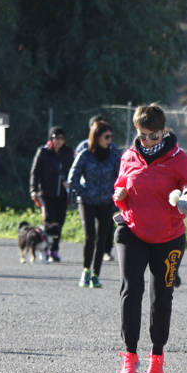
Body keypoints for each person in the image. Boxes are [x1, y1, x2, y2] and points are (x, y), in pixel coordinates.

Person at [112, 104, 187, 373]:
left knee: (161, 297)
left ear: (164, 131)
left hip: (168, 237)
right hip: (132, 231)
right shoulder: (129, 156)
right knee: (131, 289)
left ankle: (157, 356)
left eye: (153, 135)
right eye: (143, 135)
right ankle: (130, 354)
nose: (148, 141)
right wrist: (119, 195)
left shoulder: (179, 159)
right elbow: (120, 186)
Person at [68, 121, 120, 288]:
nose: (109, 140)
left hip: (106, 202)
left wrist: (115, 195)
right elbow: (72, 179)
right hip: (87, 202)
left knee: (101, 238)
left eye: (111, 136)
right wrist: (84, 193)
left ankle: (96, 275)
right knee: (90, 236)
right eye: (106, 136)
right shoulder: (85, 155)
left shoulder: (114, 156)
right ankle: (86, 271)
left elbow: (122, 178)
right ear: (96, 137)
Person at [30, 126, 74, 263]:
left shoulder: (68, 152)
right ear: (51, 138)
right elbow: (35, 172)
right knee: (50, 221)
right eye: (56, 137)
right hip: (46, 193)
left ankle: (54, 249)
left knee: (59, 222)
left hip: (62, 194)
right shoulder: (43, 152)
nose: (59, 140)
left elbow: (74, 170)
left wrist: (70, 183)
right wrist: (33, 190)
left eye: (62, 138)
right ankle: (45, 248)